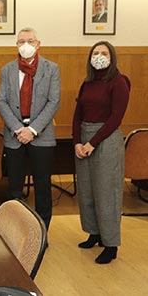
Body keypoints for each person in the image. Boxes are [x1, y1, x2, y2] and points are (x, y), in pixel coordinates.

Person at [72, 41, 130, 264]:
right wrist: (77, 142)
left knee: (107, 193)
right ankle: (94, 233)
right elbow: (78, 114)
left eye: (104, 53)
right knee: (87, 191)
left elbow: (116, 117)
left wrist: (92, 143)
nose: (99, 56)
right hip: (85, 137)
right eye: (95, 53)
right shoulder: (87, 83)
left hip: (106, 139)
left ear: (112, 57)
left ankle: (111, 243)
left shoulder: (119, 82)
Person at [0, 27, 60, 229]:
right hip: (14, 135)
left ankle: (42, 232)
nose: (26, 45)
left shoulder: (52, 69)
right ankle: (15, 232)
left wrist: (32, 130)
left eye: (30, 41)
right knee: (14, 187)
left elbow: (53, 102)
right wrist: (18, 129)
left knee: (42, 186)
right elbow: (2, 101)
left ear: (38, 44)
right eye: (21, 41)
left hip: (41, 136)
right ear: (16, 44)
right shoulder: (7, 70)